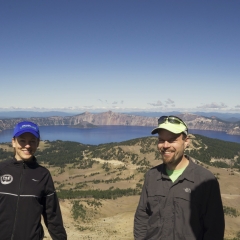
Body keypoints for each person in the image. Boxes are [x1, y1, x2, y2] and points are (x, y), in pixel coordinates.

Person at [134, 116, 225, 240]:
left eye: (172, 140)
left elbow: (214, 230)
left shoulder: (206, 180)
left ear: (186, 142)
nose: (165, 145)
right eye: (161, 140)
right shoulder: (152, 176)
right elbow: (142, 216)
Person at [0, 121, 67, 240]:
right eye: (22, 140)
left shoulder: (43, 175)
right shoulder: (2, 169)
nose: (27, 145)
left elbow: (53, 216)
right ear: (13, 142)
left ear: (37, 143)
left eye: (32, 141)